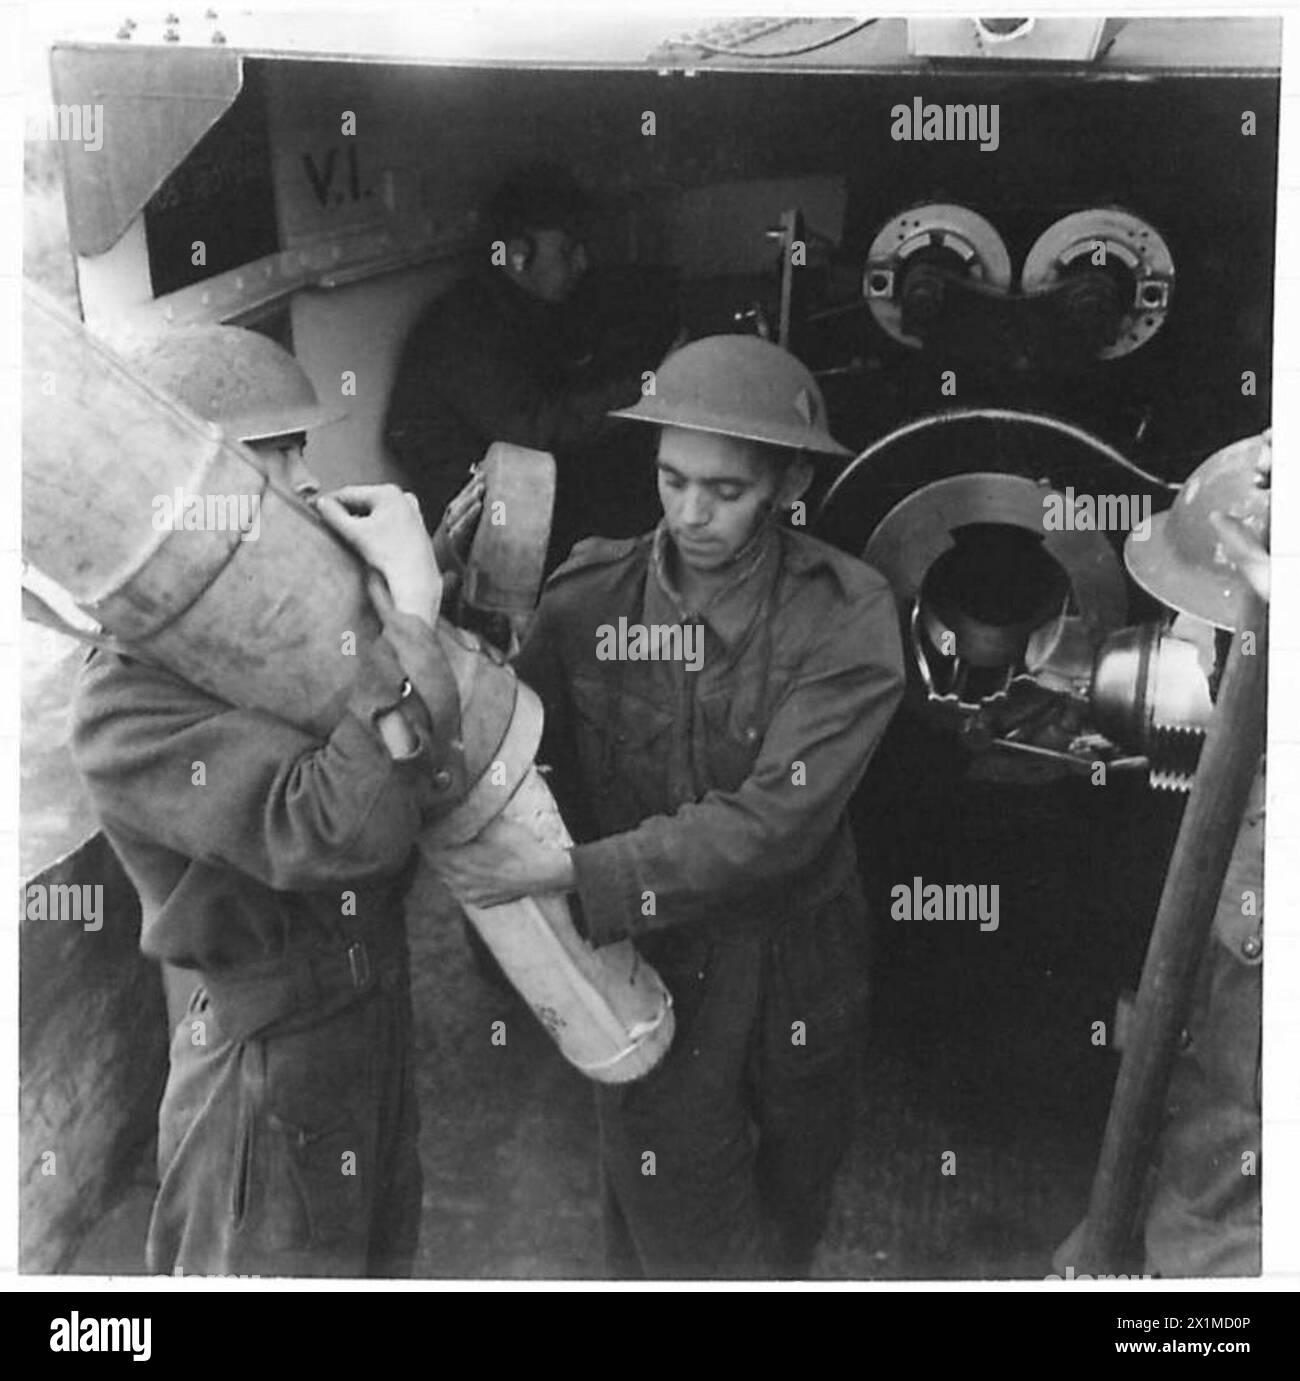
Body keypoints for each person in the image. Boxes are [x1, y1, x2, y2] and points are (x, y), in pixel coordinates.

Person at [430, 335, 907, 1278]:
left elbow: (775, 823)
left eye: (726, 491)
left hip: (797, 963)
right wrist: (439, 609)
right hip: (647, 958)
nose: (691, 512)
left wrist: (572, 872)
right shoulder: (584, 601)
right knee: (673, 1224)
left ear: (787, 480)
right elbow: (505, 750)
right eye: (671, 478)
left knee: (790, 1205)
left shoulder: (847, 616)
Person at [70, 325, 480, 1277]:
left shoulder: (268, 623)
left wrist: (423, 599)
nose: (304, 480)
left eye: (303, 447)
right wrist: (409, 616)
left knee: (380, 1253)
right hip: (266, 1063)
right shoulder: (127, 700)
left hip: (368, 1014)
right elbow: (344, 830)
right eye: (272, 456)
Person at [383, 161, 651, 569]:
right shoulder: (464, 329)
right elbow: (531, 430)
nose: (581, 263)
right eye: (566, 251)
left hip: (520, 489)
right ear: (518, 256)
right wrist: (648, 391)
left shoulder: (514, 308)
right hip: (483, 523)